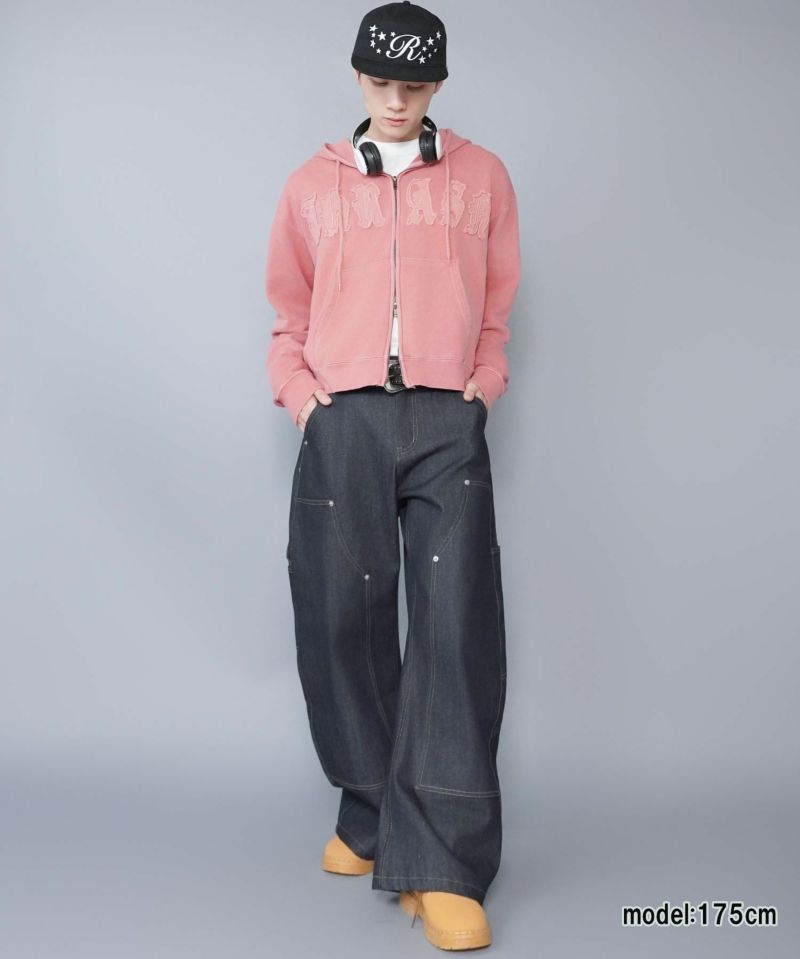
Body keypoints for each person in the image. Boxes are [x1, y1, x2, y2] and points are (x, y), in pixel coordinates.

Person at [264, 2, 521, 950]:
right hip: (344, 417)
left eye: (414, 84)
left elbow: (497, 304)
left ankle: (442, 861)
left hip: (447, 415)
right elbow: (288, 312)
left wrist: (483, 383)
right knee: (341, 615)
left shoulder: (481, 177)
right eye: (382, 82)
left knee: (456, 626)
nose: (398, 100)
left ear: (439, 84)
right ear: (358, 78)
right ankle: (373, 814)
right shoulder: (311, 186)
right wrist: (302, 398)